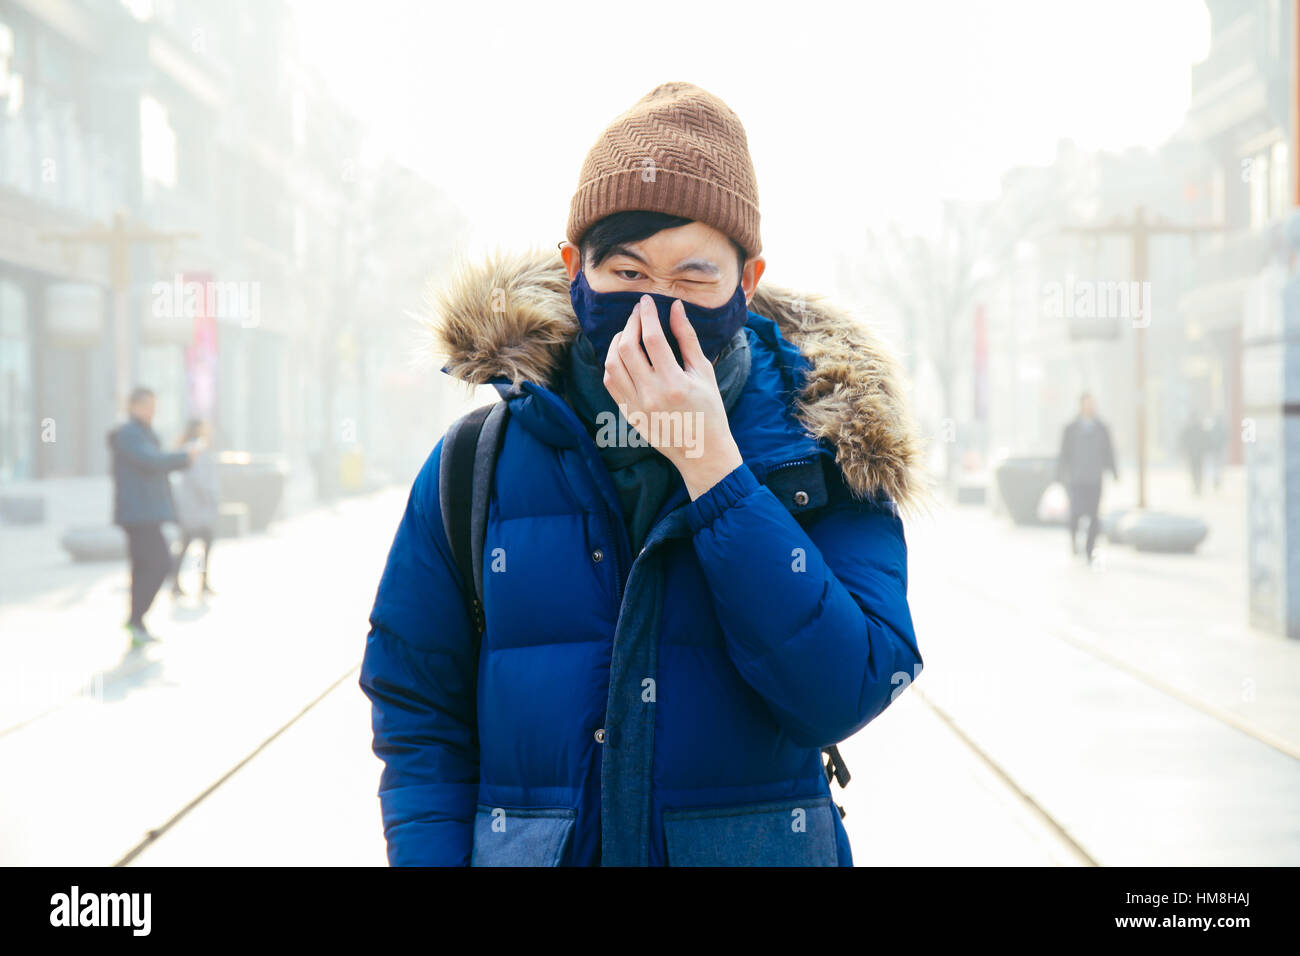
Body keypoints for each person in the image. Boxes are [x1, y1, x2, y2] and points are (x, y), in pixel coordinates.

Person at [359, 82, 925, 867]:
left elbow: (841, 692)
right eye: (625, 271)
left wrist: (714, 469)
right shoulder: (475, 465)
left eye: (693, 280)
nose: (656, 306)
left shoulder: (828, 454)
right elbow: (417, 711)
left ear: (747, 282)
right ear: (574, 269)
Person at [107, 387, 198, 646]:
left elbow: (154, 461)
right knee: (160, 563)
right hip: (138, 514)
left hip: (145, 512)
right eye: (148, 406)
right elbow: (151, 461)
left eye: (155, 406)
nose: (153, 411)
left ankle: (136, 622)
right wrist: (184, 457)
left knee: (144, 567)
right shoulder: (130, 434)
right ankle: (136, 619)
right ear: (134, 406)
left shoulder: (141, 432)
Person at [1056, 392, 1118, 564]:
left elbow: (1109, 451)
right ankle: (1074, 540)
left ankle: (1090, 549)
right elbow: (1063, 454)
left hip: (1095, 478)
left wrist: (1114, 471)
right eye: (1088, 404)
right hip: (1075, 479)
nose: (1091, 407)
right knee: (1075, 513)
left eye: (1093, 404)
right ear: (1081, 405)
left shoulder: (1102, 428)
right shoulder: (1070, 429)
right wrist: (1058, 475)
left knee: (1094, 515)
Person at [170, 418, 218, 598]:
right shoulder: (197, 448)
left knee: (187, 546)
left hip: (190, 507)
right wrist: (211, 497)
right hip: (199, 507)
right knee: (202, 547)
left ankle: (180, 582)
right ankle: (200, 582)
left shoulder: (186, 448)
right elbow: (200, 479)